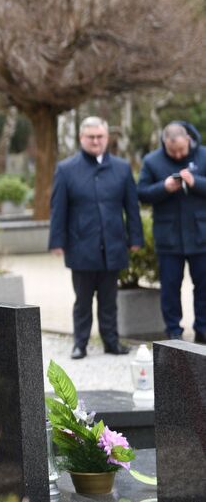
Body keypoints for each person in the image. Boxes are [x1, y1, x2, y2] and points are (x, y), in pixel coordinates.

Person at [49, 117, 143, 359]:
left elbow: (131, 207)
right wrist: (57, 242)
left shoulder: (122, 168)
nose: (95, 141)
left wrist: (135, 238)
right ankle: (80, 344)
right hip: (81, 246)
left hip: (113, 244)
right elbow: (58, 208)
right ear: (81, 138)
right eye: (90, 137)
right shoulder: (66, 169)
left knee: (109, 300)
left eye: (100, 136)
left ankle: (111, 342)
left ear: (107, 138)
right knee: (82, 301)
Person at [138, 121, 206, 343]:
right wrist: (164, 187)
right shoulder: (152, 161)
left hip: (201, 235)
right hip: (168, 237)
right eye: (172, 151)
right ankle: (173, 331)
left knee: (204, 286)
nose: (177, 155)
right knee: (169, 288)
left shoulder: (204, 155)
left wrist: (195, 182)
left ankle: (203, 329)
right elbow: (141, 193)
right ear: (164, 143)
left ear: (188, 140)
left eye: (181, 150)